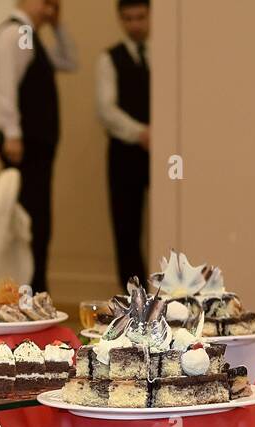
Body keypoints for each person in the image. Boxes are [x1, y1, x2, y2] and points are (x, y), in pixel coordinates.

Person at [0, 0, 78, 294]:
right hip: (24, 146)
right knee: (28, 222)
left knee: (40, 220)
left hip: (38, 146)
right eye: (45, 2)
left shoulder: (32, 36)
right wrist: (13, 135)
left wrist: (58, 27)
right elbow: (5, 87)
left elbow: (69, 61)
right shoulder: (15, 34)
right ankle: (25, 290)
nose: (49, 8)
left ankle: (36, 287)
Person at [97, 0, 151, 289]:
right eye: (128, 18)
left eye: (140, 17)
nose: (135, 24)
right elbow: (106, 110)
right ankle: (135, 300)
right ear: (120, 19)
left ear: (150, 15)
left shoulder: (165, 55)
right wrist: (141, 132)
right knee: (126, 228)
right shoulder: (110, 59)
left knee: (165, 220)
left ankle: (172, 295)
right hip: (125, 153)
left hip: (166, 155)